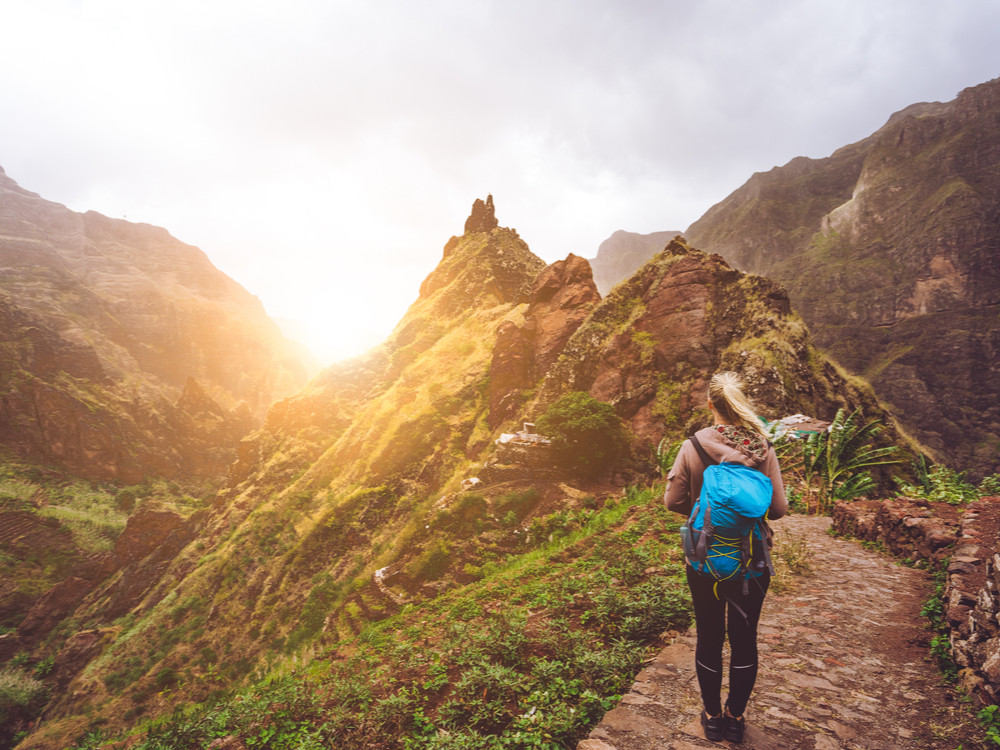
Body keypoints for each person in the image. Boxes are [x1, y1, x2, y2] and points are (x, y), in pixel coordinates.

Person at [664, 371, 787, 744]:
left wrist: (704, 509)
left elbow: (671, 501)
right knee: (744, 638)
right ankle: (735, 717)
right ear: (739, 404)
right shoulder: (763, 448)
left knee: (709, 636)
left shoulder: (694, 445)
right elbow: (779, 509)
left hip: (704, 561)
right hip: (752, 561)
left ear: (710, 405)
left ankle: (712, 717)